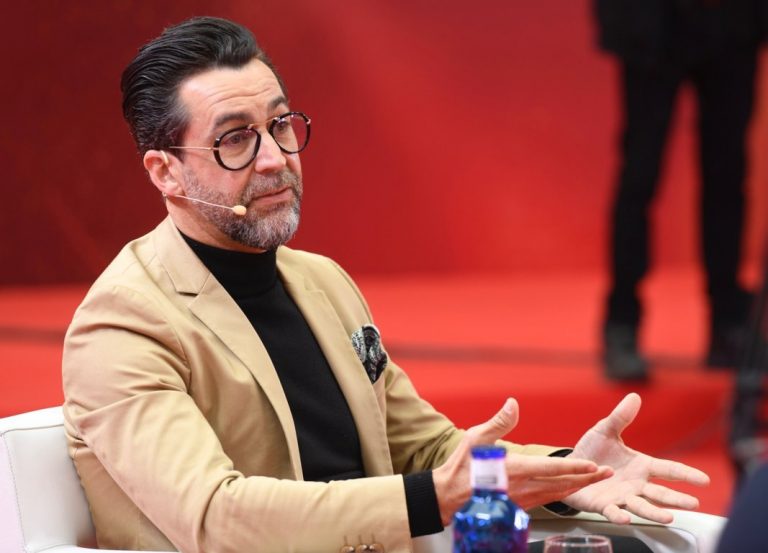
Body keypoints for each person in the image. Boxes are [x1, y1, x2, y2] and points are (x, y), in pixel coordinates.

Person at [62, 16, 710, 553]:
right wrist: (434, 497)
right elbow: (214, 517)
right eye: (236, 140)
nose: (275, 159)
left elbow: (427, 449)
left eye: (280, 125)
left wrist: (571, 473)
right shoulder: (124, 323)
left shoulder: (321, 281)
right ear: (165, 172)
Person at [595, 0, 765, 380]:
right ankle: (622, 323)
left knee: (728, 176)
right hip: (653, 24)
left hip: (734, 24)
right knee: (640, 175)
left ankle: (728, 325)